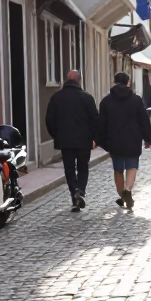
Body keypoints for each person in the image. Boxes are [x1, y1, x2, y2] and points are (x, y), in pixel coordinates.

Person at [44, 69, 98, 212]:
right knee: (82, 167)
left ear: (66, 80)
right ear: (79, 81)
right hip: (84, 141)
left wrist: (57, 135)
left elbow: (49, 120)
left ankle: (74, 196)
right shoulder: (87, 97)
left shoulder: (56, 97)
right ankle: (80, 190)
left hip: (65, 141)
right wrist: (94, 137)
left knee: (69, 169)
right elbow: (95, 119)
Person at [97, 72, 151, 209]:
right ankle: (127, 189)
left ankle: (122, 195)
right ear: (128, 82)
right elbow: (144, 121)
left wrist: (101, 141)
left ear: (114, 82)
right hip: (133, 139)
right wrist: (147, 138)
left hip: (114, 140)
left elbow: (101, 124)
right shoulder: (136, 100)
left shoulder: (106, 101)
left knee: (118, 169)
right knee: (132, 166)